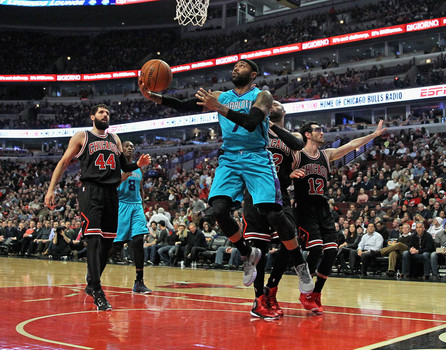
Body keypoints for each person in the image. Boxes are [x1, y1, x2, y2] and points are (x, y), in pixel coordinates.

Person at [141, 59, 313, 293]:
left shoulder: (262, 96)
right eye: (235, 65)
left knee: (273, 214)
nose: (235, 68)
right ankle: (247, 253)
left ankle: (300, 264)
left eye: (242, 66)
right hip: (230, 158)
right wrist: (155, 97)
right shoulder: (222, 96)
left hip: (256, 157)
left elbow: (251, 123)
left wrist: (218, 107)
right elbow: (184, 105)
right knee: (219, 210)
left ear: (253, 74)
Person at [44, 104, 151, 311]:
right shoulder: (82, 136)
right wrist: (51, 189)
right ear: (93, 116)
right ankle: (98, 291)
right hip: (90, 191)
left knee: (108, 244)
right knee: (93, 239)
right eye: (101, 112)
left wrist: (138, 164)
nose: (105, 115)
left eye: (108, 113)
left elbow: (124, 167)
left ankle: (92, 282)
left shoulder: (115, 139)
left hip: (111, 193)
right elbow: (64, 162)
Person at [291, 120, 386, 313]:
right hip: (305, 207)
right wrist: (289, 173)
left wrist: (373, 136)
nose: (322, 132)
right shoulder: (297, 156)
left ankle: (316, 293)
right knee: (316, 247)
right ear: (307, 134)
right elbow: (279, 169)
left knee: (332, 251)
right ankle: (305, 289)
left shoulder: (326, 155)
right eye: (318, 129)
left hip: (323, 206)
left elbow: (351, 145)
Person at [244, 100, 305, 319]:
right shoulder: (255, 131)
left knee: (291, 240)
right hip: (255, 193)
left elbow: (299, 150)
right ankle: (259, 298)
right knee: (259, 246)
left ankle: (272, 287)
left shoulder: (292, 137)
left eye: (276, 103)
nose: (272, 104)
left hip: (280, 195)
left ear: (283, 112)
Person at [108, 141, 151, 294]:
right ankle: (94, 270)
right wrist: (121, 179)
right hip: (121, 205)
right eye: (127, 146)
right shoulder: (115, 166)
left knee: (138, 240)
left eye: (132, 146)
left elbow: (140, 188)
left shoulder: (138, 167)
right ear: (121, 150)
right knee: (116, 245)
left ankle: (139, 281)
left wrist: (143, 204)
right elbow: (109, 188)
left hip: (136, 205)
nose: (130, 148)